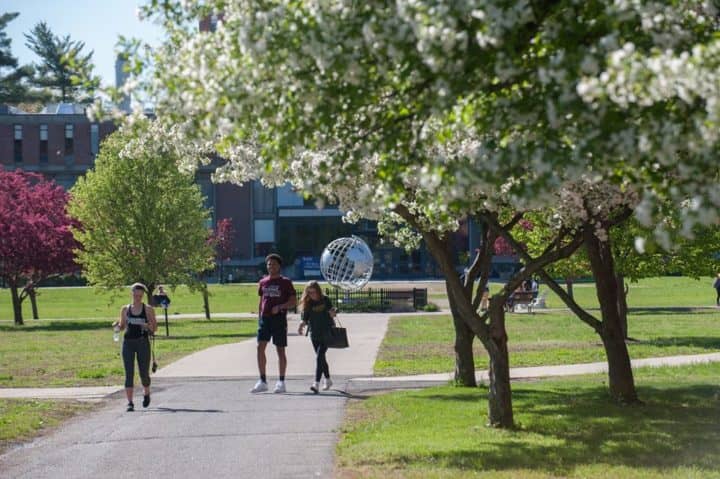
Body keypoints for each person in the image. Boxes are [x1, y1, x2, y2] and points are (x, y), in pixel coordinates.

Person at [252, 254, 297, 393]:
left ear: (279, 266)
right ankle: (262, 381)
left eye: (274, 264)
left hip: (279, 319)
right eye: (269, 264)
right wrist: (259, 316)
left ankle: (281, 382)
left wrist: (281, 307)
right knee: (260, 347)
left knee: (280, 350)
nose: (271, 266)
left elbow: (293, 301)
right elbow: (261, 301)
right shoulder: (263, 282)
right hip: (265, 319)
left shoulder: (285, 282)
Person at [115, 283, 157, 412]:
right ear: (132, 294)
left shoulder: (148, 309)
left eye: (140, 296)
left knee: (144, 373)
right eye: (135, 295)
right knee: (129, 373)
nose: (137, 298)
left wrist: (147, 326)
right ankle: (130, 403)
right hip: (128, 343)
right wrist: (117, 326)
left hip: (142, 342)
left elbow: (154, 328)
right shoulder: (125, 309)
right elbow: (122, 326)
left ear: (143, 295)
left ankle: (146, 393)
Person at [297, 281, 337, 393]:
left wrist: (333, 313)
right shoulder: (308, 302)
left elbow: (332, 312)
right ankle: (328, 379)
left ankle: (316, 383)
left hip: (327, 332)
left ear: (318, 291)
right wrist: (301, 325)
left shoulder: (325, 299)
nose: (312, 295)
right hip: (314, 334)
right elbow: (305, 318)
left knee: (319, 356)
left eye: (313, 292)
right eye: (309, 293)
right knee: (321, 358)